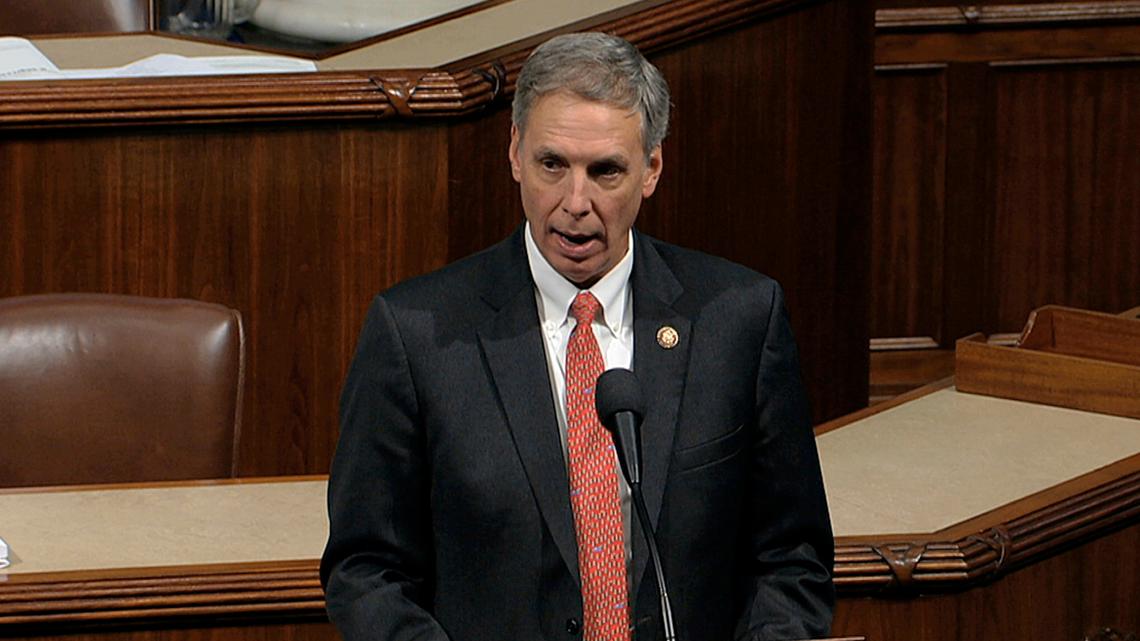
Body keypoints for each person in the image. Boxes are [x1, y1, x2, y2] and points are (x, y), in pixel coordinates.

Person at [321, 32, 834, 641]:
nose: (575, 202)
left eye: (606, 171)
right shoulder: (417, 334)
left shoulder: (739, 319)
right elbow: (365, 569)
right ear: (514, 153)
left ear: (651, 169)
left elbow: (792, 557)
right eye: (552, 164)